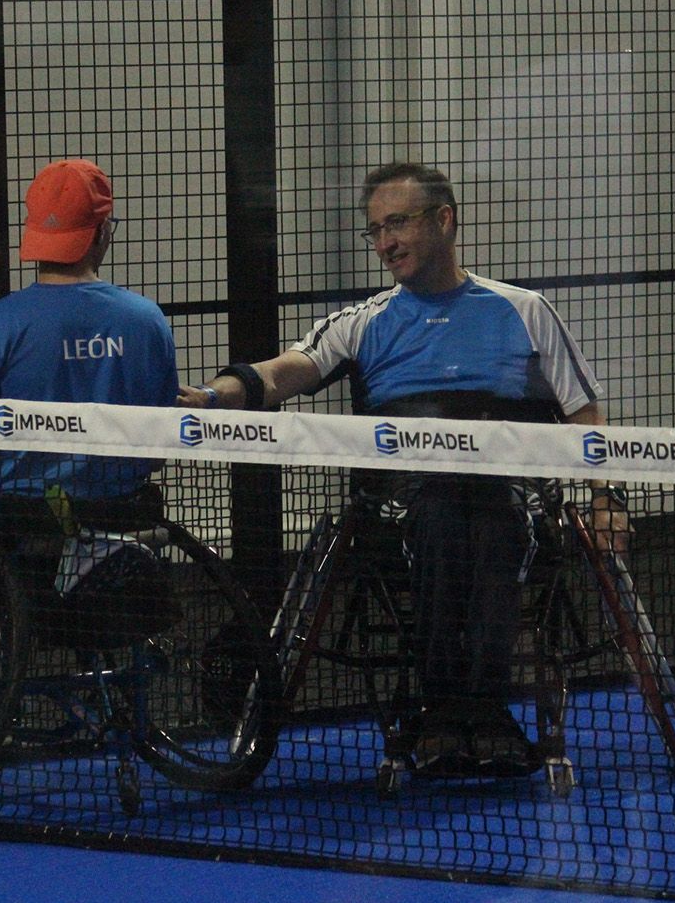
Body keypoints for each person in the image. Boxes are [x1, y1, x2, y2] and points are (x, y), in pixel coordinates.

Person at [178, 161, 630, 776]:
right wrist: (215, 394)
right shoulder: (363, 322)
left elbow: (585, 413)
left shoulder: (524, 311)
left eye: (397, 223)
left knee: (494, 522)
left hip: (508, 497)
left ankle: (483, 712)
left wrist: (606, 499)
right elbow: (286, 371)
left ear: (444, 220)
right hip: (406, 505)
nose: (385, 243)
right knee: (444, 518)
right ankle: (447, 712)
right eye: (375, 230)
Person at [0, 157, 178, 515]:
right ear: (102, 230)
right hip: (121, 521)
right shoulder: (146, 322)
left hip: (13, 529)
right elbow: (157, 455)